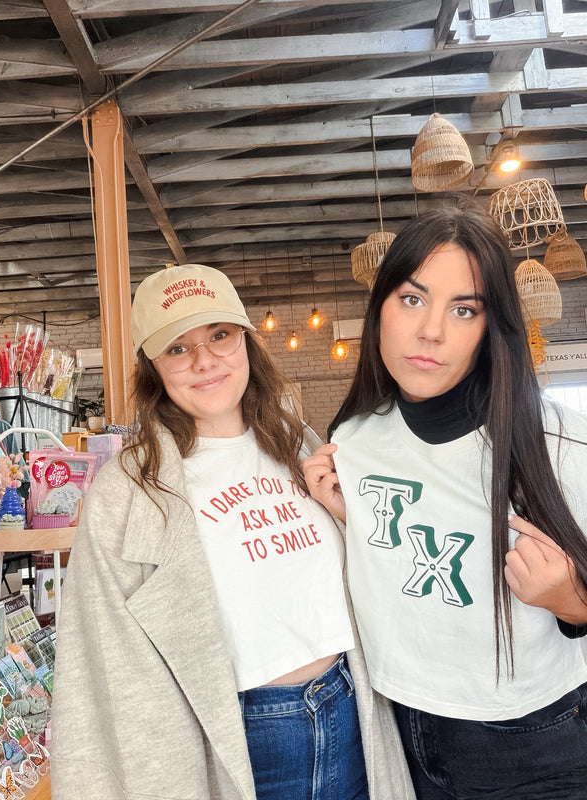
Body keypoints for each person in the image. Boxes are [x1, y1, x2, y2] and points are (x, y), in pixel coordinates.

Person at [50, 263, 415, 800]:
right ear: (152, 365)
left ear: (245, 339)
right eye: (177, 348)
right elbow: (95, 665)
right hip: (241, 742)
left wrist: (347, 518)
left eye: (219, 335)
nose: (204, 361)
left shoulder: (297, 442)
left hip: (350, 709)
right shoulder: (126, 491)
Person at [303, 201, 587, 800]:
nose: (430, 330)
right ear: (379, 306)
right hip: (393, 728)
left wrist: (571, 602)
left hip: (530, 742)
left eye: (464, 310)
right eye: (412, 299)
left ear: (491, 328)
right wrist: (352, 520)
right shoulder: (353, 441)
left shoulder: (561, 444)